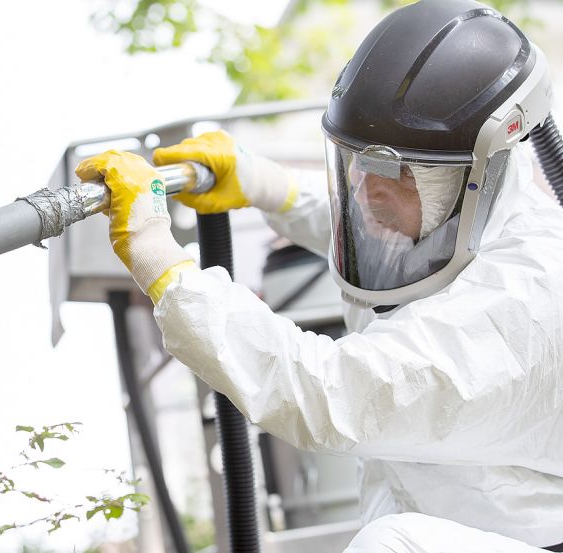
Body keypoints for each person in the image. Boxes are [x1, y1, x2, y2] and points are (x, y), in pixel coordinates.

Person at [75, 1, 563, 551]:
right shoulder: (462, 225)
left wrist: (160, 261)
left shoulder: (531, 295)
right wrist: (269, 187)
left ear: (480, 169)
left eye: (387, 167)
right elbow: (384, 226)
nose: (362, 187)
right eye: (353, 159)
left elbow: (328, 395)